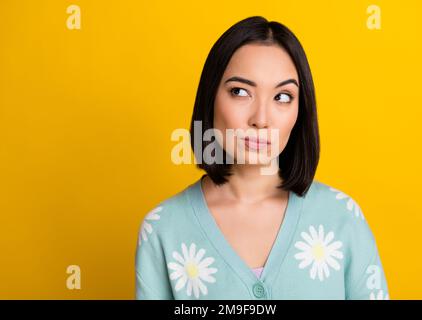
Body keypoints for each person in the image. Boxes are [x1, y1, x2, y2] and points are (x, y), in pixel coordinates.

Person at [135, 15, 389, 300]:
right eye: (240, 92)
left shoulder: (342, 218)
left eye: (282, 97)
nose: (261, 119)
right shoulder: (163, 228)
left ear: (299, 112)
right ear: (211, 98)